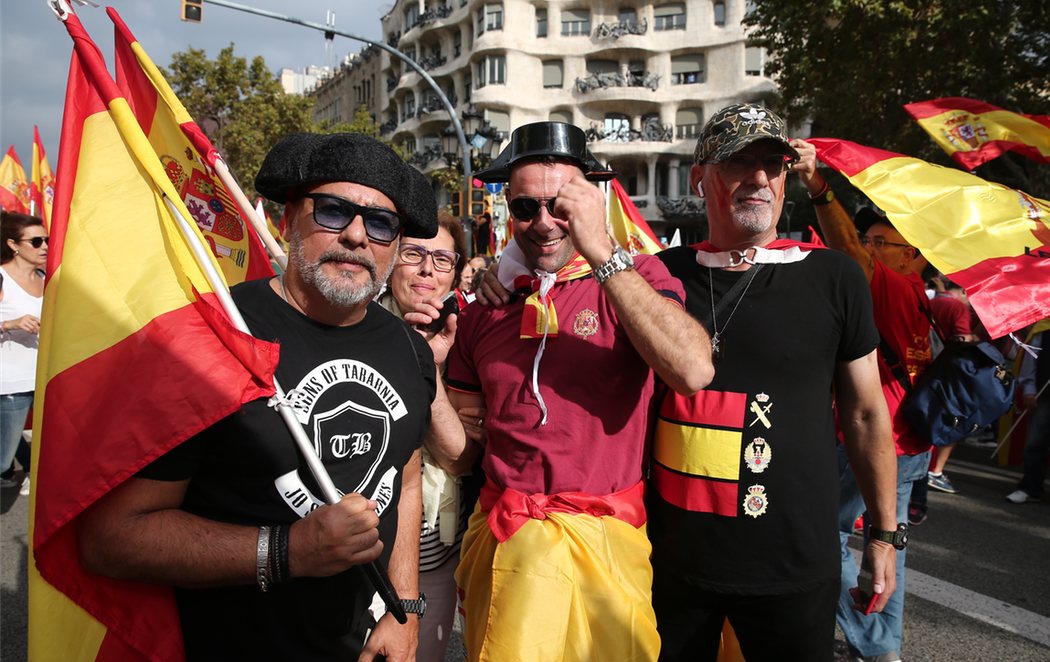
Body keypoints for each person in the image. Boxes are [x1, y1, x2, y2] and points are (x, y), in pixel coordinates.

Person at [79, 133, 463, 661]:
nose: (356, 235)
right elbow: (110, 538)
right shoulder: (214, 338)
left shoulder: (407, 347)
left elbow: (407, 475)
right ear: (287, 221)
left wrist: (406, 610)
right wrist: (288, 552)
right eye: (332, 211)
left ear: (395, 245)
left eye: (380, 224)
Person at [436, 120, 715, 661]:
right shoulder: (485, 306)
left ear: (591, 201)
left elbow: (693, 370)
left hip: (607, 547)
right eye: (525, 208)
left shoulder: (640, 280)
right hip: (506, 541)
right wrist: (426, 375)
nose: (543, 223)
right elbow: (461, 454)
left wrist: (603, 253)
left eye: (561, 206)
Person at [647, 105, 900, 662]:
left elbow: (865, 414)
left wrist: (884, 536)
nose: (760, 178)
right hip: (670, 566)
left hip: (793, 570)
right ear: (700, 176)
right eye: (740, 161)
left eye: (774, 164)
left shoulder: (834, 278)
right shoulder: (655, 278)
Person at [795, 139, 933, 662]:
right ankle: (884, 648)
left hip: (875, 437)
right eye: (870, 242)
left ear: (911, 254)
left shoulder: (895, 288)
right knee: (888, 542)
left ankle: (871, 642)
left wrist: (819, 186)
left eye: (881, 243)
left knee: (820, 532)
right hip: (909, 439)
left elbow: (849, 256)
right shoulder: (921, 294)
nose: (870, 249)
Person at [377, 210, 473, 662]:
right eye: (413, 253)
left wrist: (428, 366)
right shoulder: (352, 325)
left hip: (434, 552)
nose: (426, 270)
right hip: (358, 554)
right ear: (392, 257)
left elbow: (458, 457)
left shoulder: (471, 335)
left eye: (442, 259)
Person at [0, 210, 46, 497]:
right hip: (11, 383)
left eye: (47, 240)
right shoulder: (2, 278)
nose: (44, 247)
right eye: (37, 241)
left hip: (45, 378)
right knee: (2, 460)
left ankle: (34, 473)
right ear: (14, 245)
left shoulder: (47, 276)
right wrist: (10, 324)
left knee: (53, 443)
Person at [1006, 320, 1050, 504]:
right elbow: (1031, 358)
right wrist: (1029, 387)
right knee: (1035, 443)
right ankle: (1030, 487)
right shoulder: (1044, 329)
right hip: (1045, 395)